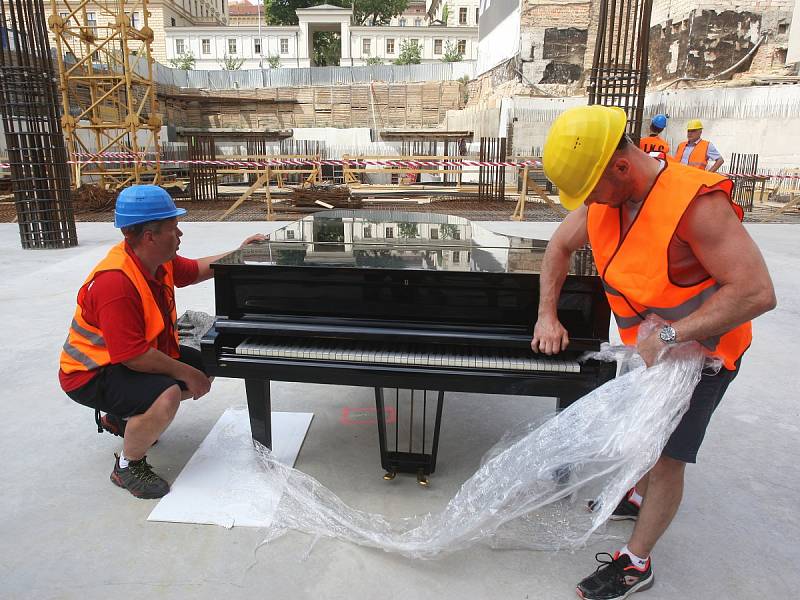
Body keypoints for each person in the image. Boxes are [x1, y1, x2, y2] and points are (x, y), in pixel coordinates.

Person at [532, 105, 775, 599]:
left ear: (620, 167)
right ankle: (636, 494)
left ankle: (636, 563)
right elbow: (557, 248)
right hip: (647, 350)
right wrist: (546, 314)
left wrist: (669, 337)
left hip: (704, 355)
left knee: (667, 455)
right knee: (640, 433)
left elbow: (755, 292)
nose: (589, 204)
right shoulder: (606, 201)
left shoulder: (696, 205)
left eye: (592, 190)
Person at [59, 185, 264, 500]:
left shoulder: (157, 260)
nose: (179, 233)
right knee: (167, 395)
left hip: (130, 358)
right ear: (148, 236)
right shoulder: (116, 283)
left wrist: (240, 252)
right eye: (173, 227)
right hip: (90, 372)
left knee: (205, 363)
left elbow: (194, 270)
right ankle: (128, 466)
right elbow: (133, 356)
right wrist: (186, 374)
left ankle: (122, 417)